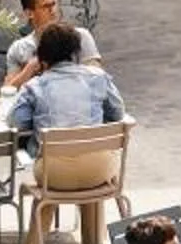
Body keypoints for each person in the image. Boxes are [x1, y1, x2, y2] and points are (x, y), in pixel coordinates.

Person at [8, 21, 126, 154]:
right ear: (76, 53)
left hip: (53, 170)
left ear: (42, 59)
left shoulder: (34, 87)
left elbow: (16, 123)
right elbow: (118, 113)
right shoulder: (98, 77)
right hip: (98, 164)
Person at [4, 0, 101, 90]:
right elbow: (7, 91)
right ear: (29, 13)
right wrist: (29, 69)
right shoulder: (19, 48)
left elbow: (97, 80)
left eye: (54, 4)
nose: (53, 11)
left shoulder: (80, 37)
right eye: (46, 6)